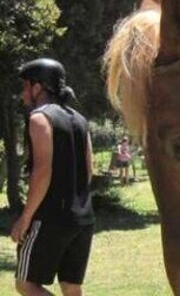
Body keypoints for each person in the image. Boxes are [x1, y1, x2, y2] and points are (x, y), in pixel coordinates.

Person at [12, 58, 95, 296]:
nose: (23, 94)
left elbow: (42, 171)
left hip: (49, 217)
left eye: (25, 86)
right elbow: (88, 170)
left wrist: (25, 218)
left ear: (38, 87)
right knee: (71, 287)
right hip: (83, 218)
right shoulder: (80, 120)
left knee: (26, 283)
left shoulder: (40, 119)